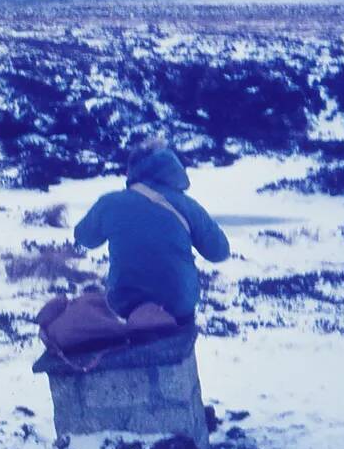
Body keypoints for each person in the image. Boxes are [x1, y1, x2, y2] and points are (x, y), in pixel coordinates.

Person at [73, 139, 230, 325]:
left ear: (132, 170)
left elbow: (84, 238)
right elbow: (219, 252)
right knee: (182, 340)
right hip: (178, 304)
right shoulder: (188, 206)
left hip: (125, 304)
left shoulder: (110, 203)